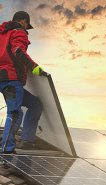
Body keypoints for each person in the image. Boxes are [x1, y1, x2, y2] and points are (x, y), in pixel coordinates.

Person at [0, 11, 45, 153]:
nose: (26, 28)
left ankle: (27, 140)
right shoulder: (19, 31)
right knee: (14, 113)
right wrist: (34, 67)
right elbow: (18, 50)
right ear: (23, 21)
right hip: (11, 79)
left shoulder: (2, 34)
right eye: (26, 25)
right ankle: (6, 151)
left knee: (35, 104)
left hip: (4, 80)